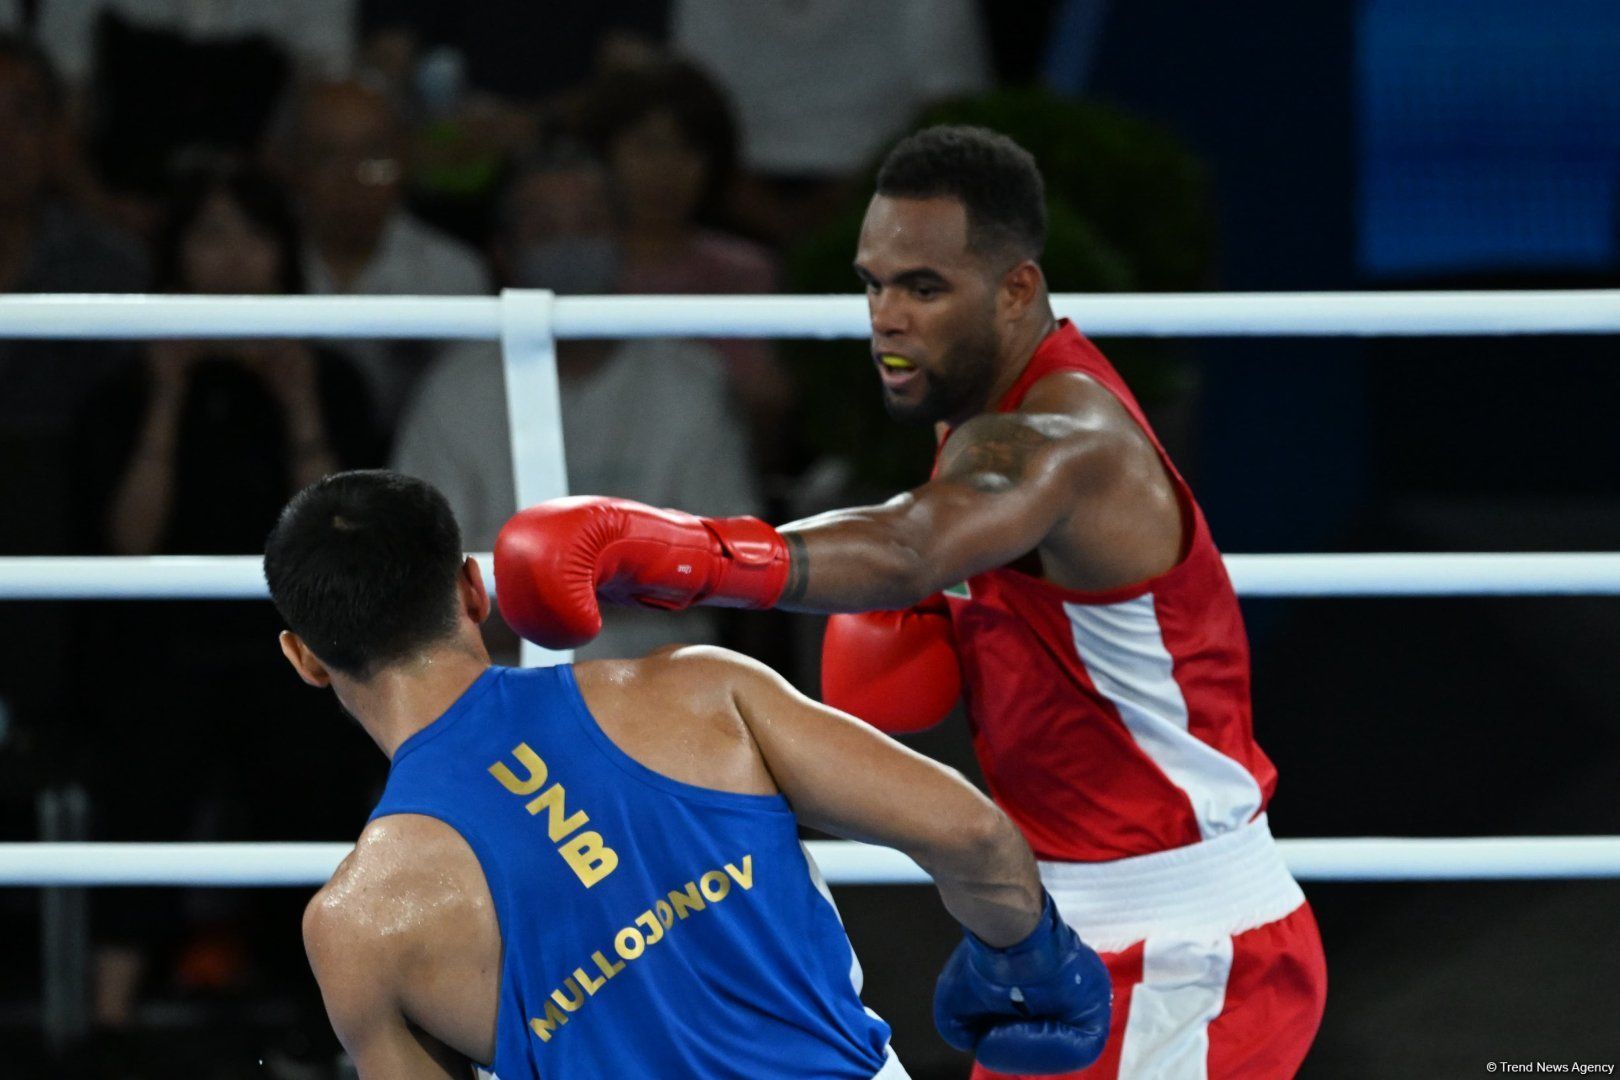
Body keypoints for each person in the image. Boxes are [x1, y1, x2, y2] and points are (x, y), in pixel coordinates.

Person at [492, 125, 1328, 1079]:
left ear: (1017, 288)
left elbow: (906, 546)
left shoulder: (1063, 437)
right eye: (872, 283)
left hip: (1181, 946)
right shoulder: (976, 427)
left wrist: (672, 550)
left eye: (924, 288)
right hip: (1060, 929)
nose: (886, 316)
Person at [262, 469, 1111, 1079]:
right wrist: (1027, 963)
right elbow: (973, 835)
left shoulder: (356, 927)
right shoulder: (699, 691)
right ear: (473, 590)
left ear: (304, 659)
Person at [392, 144, 763, 660]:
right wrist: (613, 585)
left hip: (666, 685)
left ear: (620, 239)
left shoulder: (690, 381)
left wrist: (550, 595)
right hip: (497, 683)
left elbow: (735, 569)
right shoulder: (453, 390)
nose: (570, 244)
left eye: (589, 223)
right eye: (545, 228)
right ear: (503, 252)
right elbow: (421, 581)